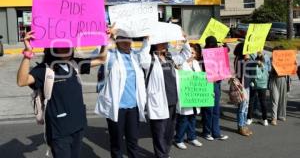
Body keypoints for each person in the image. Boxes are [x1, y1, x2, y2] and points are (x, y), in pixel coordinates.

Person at [17, 30, 109, 158]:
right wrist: (27, 53)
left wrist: (105, 40)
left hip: (78, 125)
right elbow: (22, 81)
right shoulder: (45, 69)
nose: (66, 47)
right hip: (59, 130)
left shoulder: (75, 63)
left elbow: (102, 59)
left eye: (69, 44)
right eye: (61, 45)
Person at [94, 29, 149, 158]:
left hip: (133, 107)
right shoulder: (111, 55)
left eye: (128, 39)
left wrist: (146, 39)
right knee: (116, 142)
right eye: (122, 39)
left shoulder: (136, 55)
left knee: (133, 141)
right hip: (116, 107)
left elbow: (146, 60)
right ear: (116, 41)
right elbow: (99, 52)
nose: (126, 42)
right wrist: (108, 36)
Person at [143, 32, 191, 158]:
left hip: (173, 100)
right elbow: (142, 57)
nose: (164, 43)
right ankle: (160, 155)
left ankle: (166, 153)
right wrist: (146, 41)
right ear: (155, 44)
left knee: (170, 131)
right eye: (161, 41)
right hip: (159, 101)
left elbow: (186, 54)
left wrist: (185, 41)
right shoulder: (150, 60)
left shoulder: (170, 58)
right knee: (159, 131)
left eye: (165, 41)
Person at [174, 43, 202, 150]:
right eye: (189, 52)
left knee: (193, 117)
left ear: (195, 54)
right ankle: (179, 139)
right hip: (185, 94)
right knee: (184, 118)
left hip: (195, 94)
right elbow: (178, 78)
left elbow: (200, 77)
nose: (190, 54)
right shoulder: (180, 63)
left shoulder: (195, 63)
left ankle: (192, 137)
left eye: (193, 52)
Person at [201, 36, 229, 141]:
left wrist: (224, 47)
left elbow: (227, 51)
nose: (214, 46)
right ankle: (207, 132)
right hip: (207, 83)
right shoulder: (204, 54)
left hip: (216, 83)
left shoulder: (218, 53)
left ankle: (216, 132)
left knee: (215, 110)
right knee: (209, 109)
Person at [247, 53, 269, 126]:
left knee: (251, 101)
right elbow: (268, 74)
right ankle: (265, 119)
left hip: (254, 85)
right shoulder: (265, 66)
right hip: (263, 86)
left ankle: (249, 118)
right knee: (263, 102)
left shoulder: (253, 65)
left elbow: (250, 74)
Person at [269, 46, 289, 125]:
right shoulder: (271, 59)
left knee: (282, 98)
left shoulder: (286, 59)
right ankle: (274, 118)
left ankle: (281, 115)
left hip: (283, 79)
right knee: (274, 98)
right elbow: (269, 70)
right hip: (274, 79)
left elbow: (290, 69)